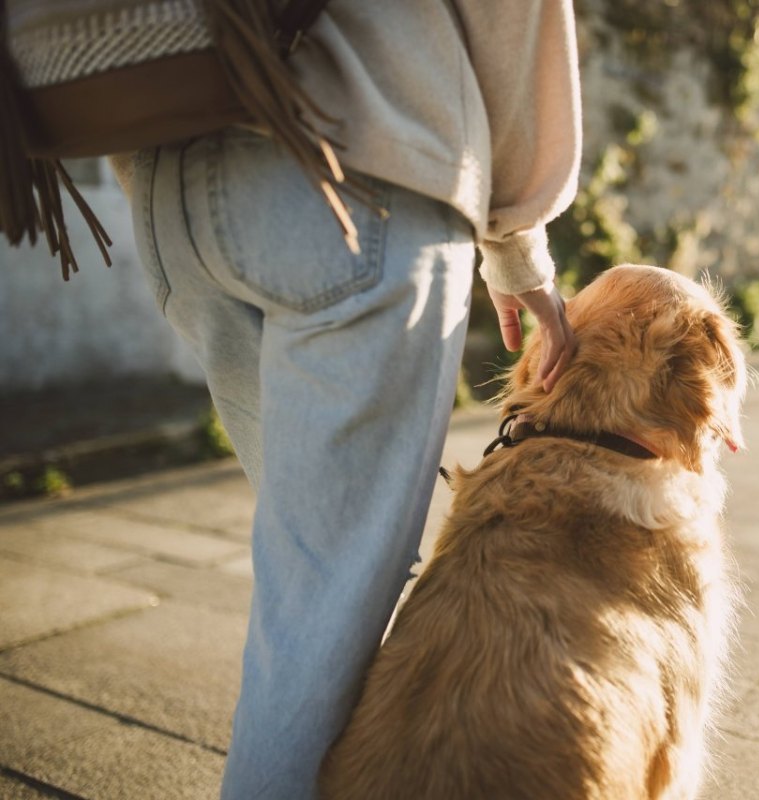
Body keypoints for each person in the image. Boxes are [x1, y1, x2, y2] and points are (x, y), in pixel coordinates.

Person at [119, 1, 581, 797]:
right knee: (325, 597)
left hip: (169, 187)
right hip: (356, 163)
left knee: (309, 575)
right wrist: (515, 243)